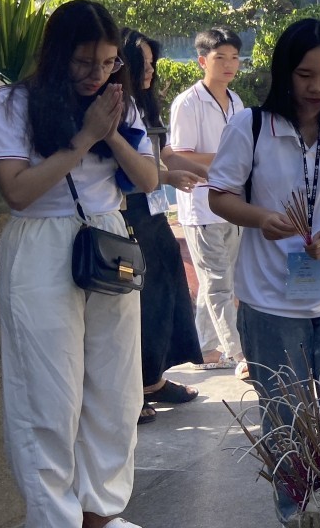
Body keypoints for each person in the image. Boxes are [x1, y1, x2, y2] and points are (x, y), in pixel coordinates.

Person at [0, 0, 157, 528]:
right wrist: (82, 138)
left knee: (115, 391)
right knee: (47, 398)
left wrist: (108, 132)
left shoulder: (117, 104)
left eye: (108, 63)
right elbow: (19, 192)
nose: (97, 74)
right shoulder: (9, 105)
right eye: (85, 63)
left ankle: (99, 514)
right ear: (58, 55)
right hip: (41, 246)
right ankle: (54, 520)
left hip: (107, 243)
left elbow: (148, 179)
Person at [206, 18, 320, 523]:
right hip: (269, 300)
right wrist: (262, 219)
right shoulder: (252, 126)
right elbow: (220, 195)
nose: (316, 88)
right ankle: (297, 514)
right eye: (305, 75)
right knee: (284, 418)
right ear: (285, 72)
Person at [119, 29, 205, 424]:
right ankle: (129, 389)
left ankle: (152, 379)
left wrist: (219, 173)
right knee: (136, 301)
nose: (151, 71)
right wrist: (166, 177)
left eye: (153, 64)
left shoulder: (143, 105)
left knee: (166, 292)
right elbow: (135, 170)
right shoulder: (113, 106)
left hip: (153, 215)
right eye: (144, 64)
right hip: (127, 214)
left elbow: (166, 155)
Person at [169, 27, 247, 377]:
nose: (230, 64)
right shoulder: (187, 103)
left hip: (234, 203)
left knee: (217, 279)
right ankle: (241, 354)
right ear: (202, 61)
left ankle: (206, 349)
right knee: (218, 282)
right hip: (201, 206)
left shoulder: (237, 101)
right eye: (221, 57)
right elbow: (177, 156)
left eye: (234, 57)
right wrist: (227, 160)